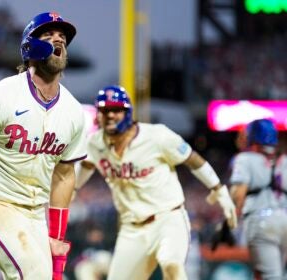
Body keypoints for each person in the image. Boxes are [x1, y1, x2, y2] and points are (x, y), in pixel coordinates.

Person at [0, 11, 87, 280]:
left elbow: (65, 175)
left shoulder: (74, 112)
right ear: (29, 47)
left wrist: (56, 237)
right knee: (34, 274)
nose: (59, 40)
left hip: (33, 215)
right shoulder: (0, 96)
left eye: (63, 37)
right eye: (49, 35)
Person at [75, 85, 237, 280]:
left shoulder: (156, 136)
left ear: (127, 112)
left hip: (167, 219)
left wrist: (219, 190)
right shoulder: (95, 143)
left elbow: (193, 159)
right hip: (132, 229)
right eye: (104, 110)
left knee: (171, 265)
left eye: (116, 109)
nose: (110, 115)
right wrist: (69, 192)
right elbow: (80, 174)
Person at [230, 118, 287, 279]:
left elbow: (238, 195)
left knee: (269, 277)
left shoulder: (245, 158)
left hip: (261, 222)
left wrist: (229, 223)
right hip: (284, 219)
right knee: (278, 274)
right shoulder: (284, 160)